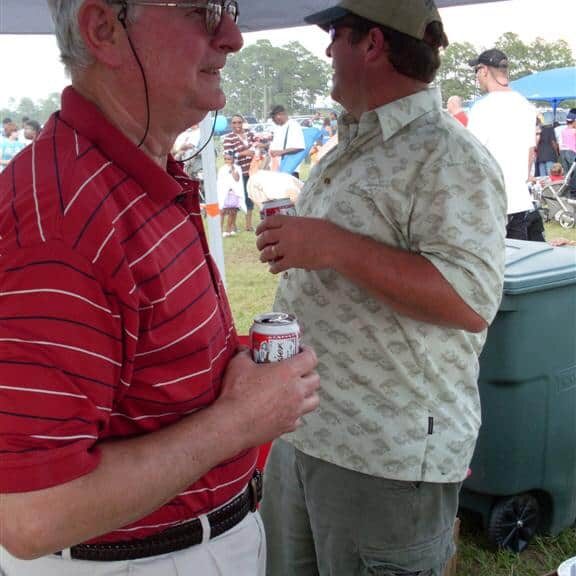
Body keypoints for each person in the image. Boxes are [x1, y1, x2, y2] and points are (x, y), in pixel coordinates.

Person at [0, 2, 320, 576]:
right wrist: (239, 423)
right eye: (203, 9)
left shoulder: (126, 177)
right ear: (104, 28)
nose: (232, 37)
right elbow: (31, 516)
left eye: (229, 9)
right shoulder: (64, 220)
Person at [256, 1, 507, 575]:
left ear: (372, 43)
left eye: (335, 34)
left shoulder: (449, 155)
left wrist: (333, 246)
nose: (326, 50)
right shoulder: (350, 146)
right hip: (307, 430)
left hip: (386, 454)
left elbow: (471, 301)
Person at [467, 48, 537, 240]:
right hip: (519, 201)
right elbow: (530, 154)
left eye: (476, 73)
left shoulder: (482, 108)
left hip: (490, 204)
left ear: (483, 70)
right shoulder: (526, 105)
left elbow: (471, 157)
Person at [223, 114, 256, 231]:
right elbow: (228, 157)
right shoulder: (228, 138)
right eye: (234, 122)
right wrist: (243, 153)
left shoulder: (251, 134)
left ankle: (249, 225)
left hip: (252, 171)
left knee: (250, 198)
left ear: (243, 122)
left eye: (239, 122)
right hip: (236, 173)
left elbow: (258, 148)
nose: (237, 125)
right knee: (235, 199)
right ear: (231, 124)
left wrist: (254, 151)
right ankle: (232, 225)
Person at [268, 104, 305, 178]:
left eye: (273, 118)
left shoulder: (293, 126)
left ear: (280, 115)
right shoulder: (278, 127)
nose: (273, 121)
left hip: (290, 168)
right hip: (278, 167)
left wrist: (280, 152)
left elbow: (299, 147)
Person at [217, 150, 246, 237]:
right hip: (224, 193)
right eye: (225, 159)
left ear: (233, 159)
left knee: (232, 212)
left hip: (234, 192)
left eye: (229, 159)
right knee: (221, 212)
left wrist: (233, 170)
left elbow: (237, 179)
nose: (227, 161)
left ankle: (228, 230)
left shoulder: (237, 168)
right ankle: (219, 230)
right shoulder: (222, 169)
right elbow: (220, 182)